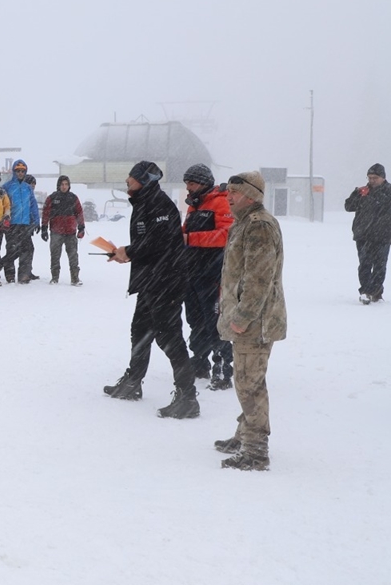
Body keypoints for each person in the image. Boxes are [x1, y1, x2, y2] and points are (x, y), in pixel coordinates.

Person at [102, 161, 199, 419]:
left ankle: (188, 397)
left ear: (143, 179)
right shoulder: (144, 201)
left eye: (132, 177)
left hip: (166, 282)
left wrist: (130, 252)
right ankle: (133, 383)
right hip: (150, 281)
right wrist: (126, 254)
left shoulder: (160, 204)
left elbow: (159, 241)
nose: (127, 180)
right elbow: (148, 243)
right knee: (141, 331)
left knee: (170, 338)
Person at [216, 171, 287, 471]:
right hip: (248, 318)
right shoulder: (243, 223)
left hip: (256, 322)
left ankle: (256, 451)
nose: (228, 195)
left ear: (252, 195)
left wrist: (243, 317)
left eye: (234, 191)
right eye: (228, 190)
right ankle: (244, 435)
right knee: (247, 380)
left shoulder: (258, 226)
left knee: (249, 383)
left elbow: (258, 279)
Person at [179, 164, 234, 389]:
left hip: (213, 273)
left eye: (191, 183)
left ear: (203, 182)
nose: (188, 188)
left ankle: (222, 368)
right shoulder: (194, 205)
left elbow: (226, 235)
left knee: (215, 322)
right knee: (195, 320)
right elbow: (185, 233)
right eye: (187, 184)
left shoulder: (221, 201)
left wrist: (191, 239)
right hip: (192, 272)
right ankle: (199, 361)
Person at [344, 163, 391, 304]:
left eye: (375, 178)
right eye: (369, 177)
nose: (371, 180)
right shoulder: (362, 192)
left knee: (380, 265)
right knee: (364, 264)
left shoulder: (389, 192)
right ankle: (365, 291)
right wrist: (357, 195)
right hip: (363, 235)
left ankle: (376, 292)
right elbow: (348, 206)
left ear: (383, 177)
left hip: (383, 236)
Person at [41, 175, 85, 286]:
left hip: (70, 232)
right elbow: (46, 213)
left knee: (73, 256)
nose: (64, 187)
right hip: (56, 232)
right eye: (62, 184)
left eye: (66, 184)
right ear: (58, 185)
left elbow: (79, 213)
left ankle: (75, 278)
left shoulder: (73, 198)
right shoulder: (52, 198)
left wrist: (81, 227)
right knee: (55, 255)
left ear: (69, 186)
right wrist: (44, 228)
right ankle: (55, 278)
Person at [1, 160, 39, 284]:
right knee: (12, 249)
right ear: (14, 171)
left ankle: (24, 274)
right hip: (12, 224)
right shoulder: (7, 187)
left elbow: (33, 205)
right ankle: (10, 274)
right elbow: (2, 205)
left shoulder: (28, 188)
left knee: (28, 249)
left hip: (25, 223)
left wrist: (36, 220)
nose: (20, 173)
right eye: (18, 171)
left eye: (23, 171)